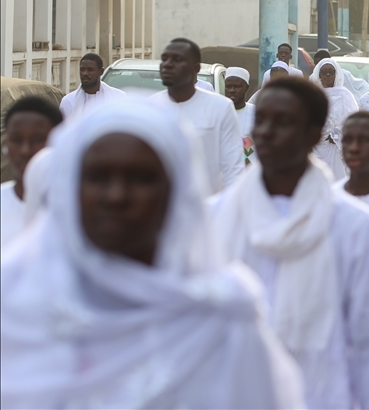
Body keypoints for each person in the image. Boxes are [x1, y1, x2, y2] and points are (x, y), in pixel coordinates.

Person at [0, 98, 304, 409]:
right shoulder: (16, 306)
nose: (116, 196)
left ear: (176, 193)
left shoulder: (222, 320)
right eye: (98, 177)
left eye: (141, 178)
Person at [208, 78, 369, 409]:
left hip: (323, 395)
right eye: (261, 120)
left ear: (312, 134)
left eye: (282, 122)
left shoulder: (353, 227)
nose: (264, 131)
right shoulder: (215, 219)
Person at [149, 38, 243, 192]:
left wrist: (223, 209)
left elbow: (233, 168)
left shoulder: (220, 107)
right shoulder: (150, 107)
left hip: (208, 209)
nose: (167, 64)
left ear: (196, 68)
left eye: (177, 59)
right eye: (164, 59)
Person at [0, 97, 63, 252]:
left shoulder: (78, 209)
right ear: (6, 144)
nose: (25, 150)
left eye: (37, 140)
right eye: (16, 140)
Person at [309, 57, 360, 179]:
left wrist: (337, 133)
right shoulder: (312, 94)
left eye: (331, 71)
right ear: (319, 74)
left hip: (335, 146)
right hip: (315, 147)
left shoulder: (345, 95)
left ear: (336, 74)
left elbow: (353, 121)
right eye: (324, 71)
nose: (327, 74)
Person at [59, 53, 124, 120]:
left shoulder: (118, 98)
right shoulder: (68, 101)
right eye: (82, 70)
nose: (85, 73)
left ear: (101, 71)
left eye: (90, 70)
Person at [225, 67, 257, 166]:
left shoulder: (255, 113)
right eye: (228, 86)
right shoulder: (217, 112)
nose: (232, 90)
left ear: (246, 88)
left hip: (250, 174)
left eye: (237, 86)